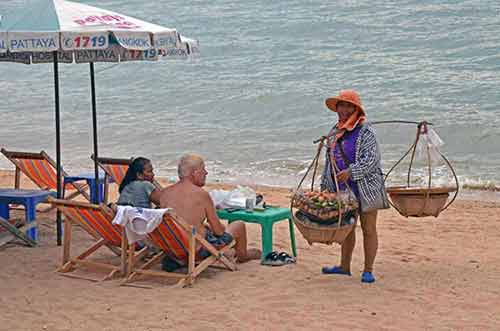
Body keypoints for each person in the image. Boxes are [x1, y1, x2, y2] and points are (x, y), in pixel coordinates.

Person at [320, 89, 389, 283]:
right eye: (341, 105)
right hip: (343, 190)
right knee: (347, 229)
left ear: (355, 109)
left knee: (368, 229)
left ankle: (368, 270)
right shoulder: (334, 132)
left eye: (348, 106)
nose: (343, 109)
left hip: (366, 188)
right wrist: (326, 185)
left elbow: (372, 160)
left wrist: (350, 172)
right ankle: (344, 266)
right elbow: (329, 162)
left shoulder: (366, 132)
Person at [158, 154, 261, 263]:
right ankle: (243, 256)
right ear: (195, 173)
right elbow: (219, 231)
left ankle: (231, 253)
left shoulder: (165, 193)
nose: (206, 173)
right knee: (238, 225)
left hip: (172, 249)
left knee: (205, 227)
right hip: (196, 251)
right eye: (204, 169)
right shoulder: (201, 195)